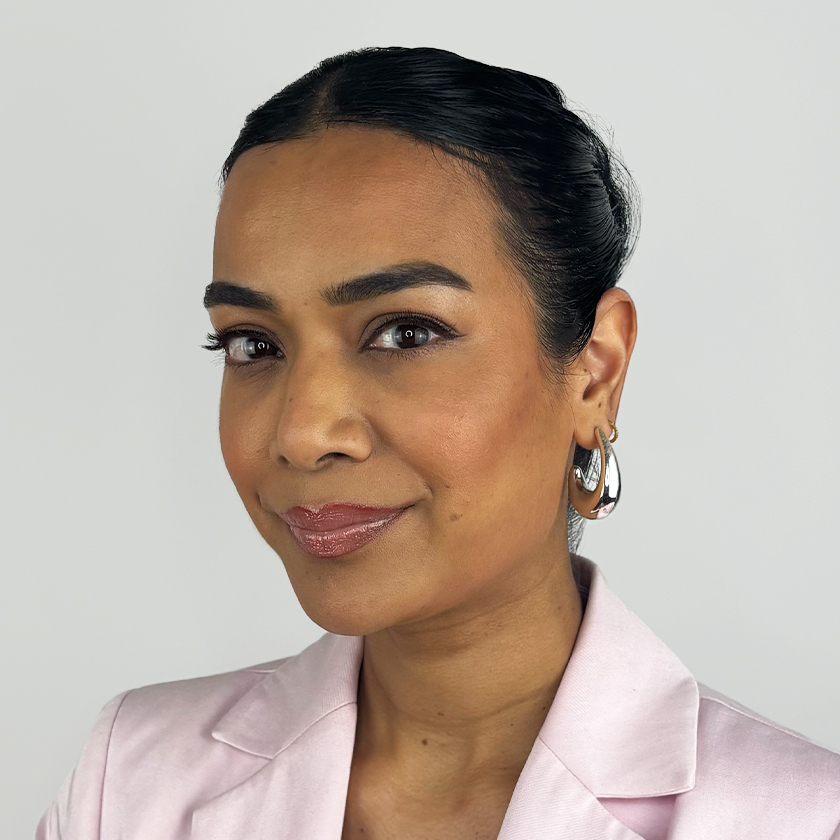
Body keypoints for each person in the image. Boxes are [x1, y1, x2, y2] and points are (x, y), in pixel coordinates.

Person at [37, 46, 840, 840]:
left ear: (595, 372)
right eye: (253, 344)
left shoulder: (801, 817)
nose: (302, 434)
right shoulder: (128, 781)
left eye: (406, 333)